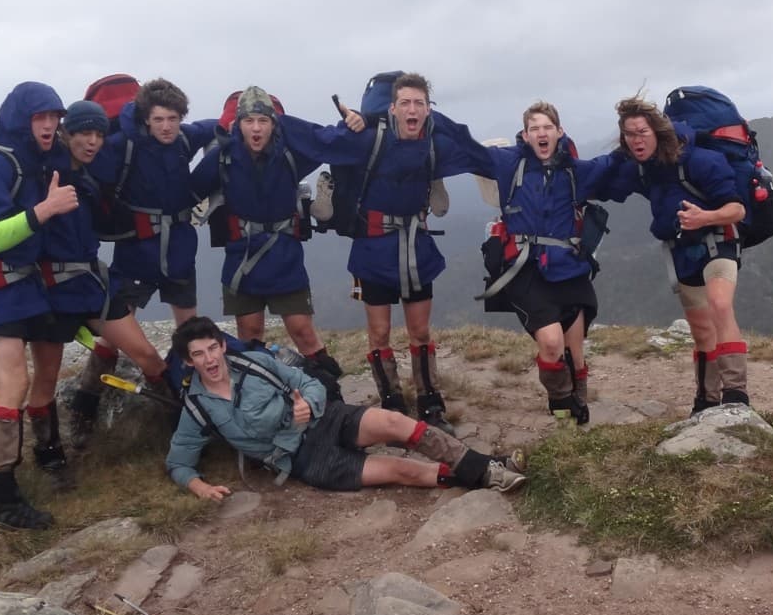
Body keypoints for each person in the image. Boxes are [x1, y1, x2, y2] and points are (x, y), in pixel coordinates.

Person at [279, 73, 492, 431]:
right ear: (392, 108)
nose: (412, 110)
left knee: (420, 331)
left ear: (429, 109)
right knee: (379, 332)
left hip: (416, 248)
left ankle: (430, 404)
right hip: (373, 249)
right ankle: (392, 402)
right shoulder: (368, 139)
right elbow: (320, 139)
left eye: (419, 103)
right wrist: (268, 120)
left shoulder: (434, 142)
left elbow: (475, 153)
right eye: (405, 103)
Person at [165, 317, 526, 498]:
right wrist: (199, 487)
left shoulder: (255, 362)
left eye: (212, 348)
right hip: (305, 460)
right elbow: (179, 463)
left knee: (394, 423)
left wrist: (308, 404)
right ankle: (489, 472)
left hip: (327, 418)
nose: (209, 359)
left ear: (222, 346)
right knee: (402, 470)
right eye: (198, 354)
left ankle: (486, 467)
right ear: (188, 361)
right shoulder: (197, 407)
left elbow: (308, 382)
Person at [0, 81, 73, 530]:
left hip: (13, 281)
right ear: (21, 120)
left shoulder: (32, 160)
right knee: (14, 377)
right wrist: (45, 210)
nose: (49, 125)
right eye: (40, 117)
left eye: (54, 117)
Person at [69, 79, 217, 435]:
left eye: (173, 119)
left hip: (179, 248)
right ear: (146, 118)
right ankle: (85, 402)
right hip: (137, 250)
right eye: (159, 119)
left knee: (189, 330)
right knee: (114, 334)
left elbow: (219, 125)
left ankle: (186, 404)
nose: (166, 127)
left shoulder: (185, 139)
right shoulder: (124, 145)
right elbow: (81, 166)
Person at [476, 101, 625, 423]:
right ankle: (561, 405)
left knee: (575, 350)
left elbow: (611, 164)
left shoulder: (574, 171)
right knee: (552, 343)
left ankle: (578, 408)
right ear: (526, 134)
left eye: (547, 127)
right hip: (525, 269)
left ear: (559, 131)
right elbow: (467, 150)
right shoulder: (511, 165)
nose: (541, 133)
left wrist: (637, 135)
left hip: (569, 268)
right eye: (535, 128)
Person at [189, 85, 342, 391]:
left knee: (302, 330)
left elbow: (330, 144)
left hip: (285, 254)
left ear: (274, 123)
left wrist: (354, 124)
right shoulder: (223, 158)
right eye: (249, 121)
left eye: (263, 120)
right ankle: (258, 395)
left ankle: (329, 391)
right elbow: (188, 192)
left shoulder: (291, 154)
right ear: (238, 124)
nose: (256, 128)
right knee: (250, 334)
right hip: (241, 257)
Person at [41, 100, 172, 458]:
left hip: (90, 284)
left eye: (99, 134)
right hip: (51, 290)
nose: (93, 142)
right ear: (66, 133)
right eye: (85, 133)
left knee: (148, 357)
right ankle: (52, 455)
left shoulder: (89, 178)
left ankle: (180, 431)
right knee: (45, 380)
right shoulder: (45, 175)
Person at [612, 95, 748, 410]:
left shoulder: (701, 161)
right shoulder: (642, 170)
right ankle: (706, 399)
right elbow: (603, 181)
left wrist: (705, 217)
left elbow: (737, 209)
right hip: (682, 252)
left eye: (642, 132)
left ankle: (736, 394)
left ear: (658, 131)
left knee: (720, 304)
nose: (636, 140)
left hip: (718, 241)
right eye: (629, 134)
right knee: (701, 331)